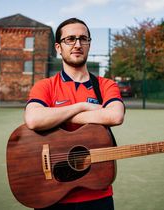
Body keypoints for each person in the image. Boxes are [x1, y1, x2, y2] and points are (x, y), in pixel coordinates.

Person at [24, 17, 125, 210]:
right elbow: (33, 119)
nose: (77, 44)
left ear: (89, 44)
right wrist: (82, 106)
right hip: (51, 194)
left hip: (97, 194)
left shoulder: (105, 85)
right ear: (58, 47)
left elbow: (115, 116)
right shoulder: (45, 86)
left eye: (83, 39)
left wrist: (56, 116)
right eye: (70, 39)